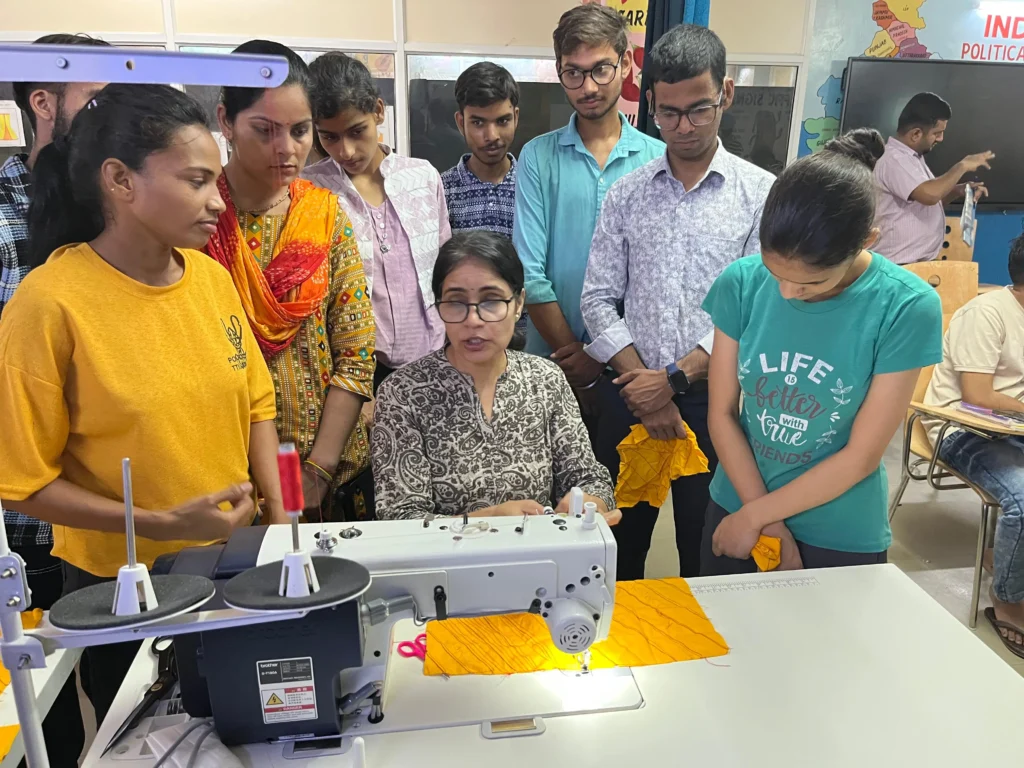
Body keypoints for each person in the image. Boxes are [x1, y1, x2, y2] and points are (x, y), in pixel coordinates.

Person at [0, 84, 285, 726]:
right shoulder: (49, 305)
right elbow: (21, 482)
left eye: (217, 180)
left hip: (233, 568)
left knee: (246, 725)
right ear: (120, 181)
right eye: (196, 180)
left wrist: (284, 517)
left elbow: (259, 406)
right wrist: (158, 524)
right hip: (123, 593)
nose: (218, 201)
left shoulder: (209, 279)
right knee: (146, 741)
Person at [698, 128, 943, 575]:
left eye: (811, 283)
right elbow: (722, 414)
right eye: (777, 274)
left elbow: (861, 455)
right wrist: (762, 519)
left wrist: (757, 518)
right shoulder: (741, 282)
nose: (788, 293)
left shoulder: (905, 306)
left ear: (866, 241)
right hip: (737, 501)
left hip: (837, 529)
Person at [581, 24, 775, 580]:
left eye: (699, 109)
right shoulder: (627, 192)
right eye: (668, 113)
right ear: (650, 105)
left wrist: (676, 380)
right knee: (614, 551)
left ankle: (706, 663)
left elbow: (755, 312)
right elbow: (596, 298)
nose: (683, 127)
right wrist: (647, 387)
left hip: (718, 403)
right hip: (631, 394)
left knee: (708, 551)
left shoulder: (760, 195)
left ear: (727, 94)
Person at [208, 41, 375, 522]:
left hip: (327, 472)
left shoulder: (322, 216)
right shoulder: (201, 220)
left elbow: (357, 350)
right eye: (264, 131)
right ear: (226, 121)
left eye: (301, 131)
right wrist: (277, 491)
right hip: (226, 483)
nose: (287, 149)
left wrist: (314, 473)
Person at [0, 32, 108, 766]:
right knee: (32, 720)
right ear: (45, 103)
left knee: (110, 695)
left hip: (106, 517)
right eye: (97, 101)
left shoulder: (112, 212)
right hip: (19, 519)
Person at [372, 230, 620, 524]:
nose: (473, 320)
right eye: (455, 302)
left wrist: (590, 501)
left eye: (491, 301)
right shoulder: (403, 393)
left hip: (537, 559)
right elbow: (399, 519)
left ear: (518, 304)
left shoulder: (544, 379)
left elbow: (589, 478)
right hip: (445, 568)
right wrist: (490, 518)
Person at [513, 4, 663, 408]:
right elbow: (529, 271)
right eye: (573, 72)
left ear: (627, 63)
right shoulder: (537, 157)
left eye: (601, 68)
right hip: (552, 363)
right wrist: (575, 355)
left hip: (634, 372)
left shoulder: (659, 161)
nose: (588, 86)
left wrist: (603, 355)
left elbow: (658, 274)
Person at [303, 52, 450, 397]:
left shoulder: (422, 177)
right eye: (329, 137)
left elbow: (446, 268)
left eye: (357, 131)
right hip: (355, 371)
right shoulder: (310, 190)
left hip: (434, 355)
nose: (347, 150)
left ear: (379, 111)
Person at [924, 234, 1024, 658]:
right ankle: (1007, 599)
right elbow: (977, 396)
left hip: (1013, 427)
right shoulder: (987, 313)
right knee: (1022, 497)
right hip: (963, 428)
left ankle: (1005, 554)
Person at [873, 92, 993, 265]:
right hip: (898, 267)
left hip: (912, 266)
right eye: (937, 133)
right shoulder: (895, 160)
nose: (941, 139)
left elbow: (926, 204)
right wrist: (962, 166)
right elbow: (929, 195)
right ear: (915, 134)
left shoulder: (912, 158)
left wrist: (956, 191)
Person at [441, 62, 519, 239]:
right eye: (478, 123)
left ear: (516, 117)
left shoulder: (534, 187)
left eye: (502, 121)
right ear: (461, 123)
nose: (491, 136)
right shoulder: (441, 190)